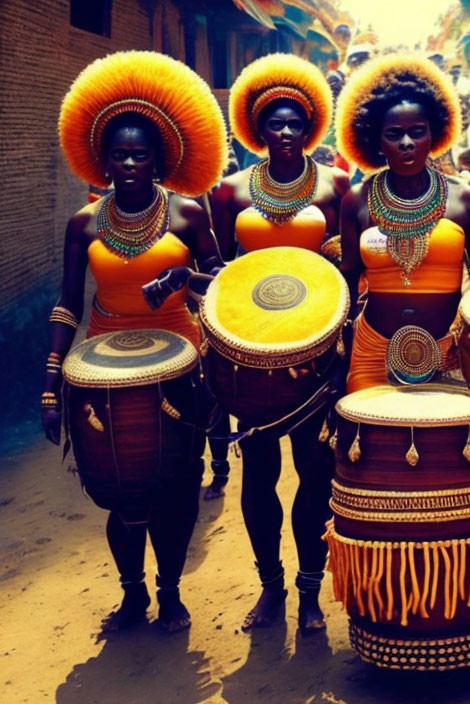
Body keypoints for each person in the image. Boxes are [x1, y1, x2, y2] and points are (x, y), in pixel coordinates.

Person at [44, 51, 227, 633]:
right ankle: (132, 595)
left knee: (174, 490)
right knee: (121, 494)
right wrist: (51, 384)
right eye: (118, 154)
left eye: (140, 153)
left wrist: (183, 278)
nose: (128, 163)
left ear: (160, 159)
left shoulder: (188, 215)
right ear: (103, 160)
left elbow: (225, 286)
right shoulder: (85, 223)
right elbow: (68, 301)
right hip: (101, 373)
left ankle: (170, 594)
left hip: (180, 368)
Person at [207, 54, 349, 633]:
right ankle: (270, 588)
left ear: (310, 126)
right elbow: (218, 275)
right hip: (248, 359)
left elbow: (348, 272)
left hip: (317, 357)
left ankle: (310, 591)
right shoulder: (230, 192)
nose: (285, 133)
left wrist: (341, 347)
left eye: (295, 123)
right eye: (274, 124)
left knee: (315, 474)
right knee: (258, 475)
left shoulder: (338, 185)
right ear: (256, 130)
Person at [336, 53, 470, 392]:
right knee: (370, 445)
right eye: (394, 134)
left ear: (433, 134)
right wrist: (340, 349)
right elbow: (347, 281)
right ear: (376, 141)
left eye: (417, 132)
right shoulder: (356, 201)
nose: (406, 142)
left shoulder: (467, 202)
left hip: (449, 351)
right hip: (371, 351)